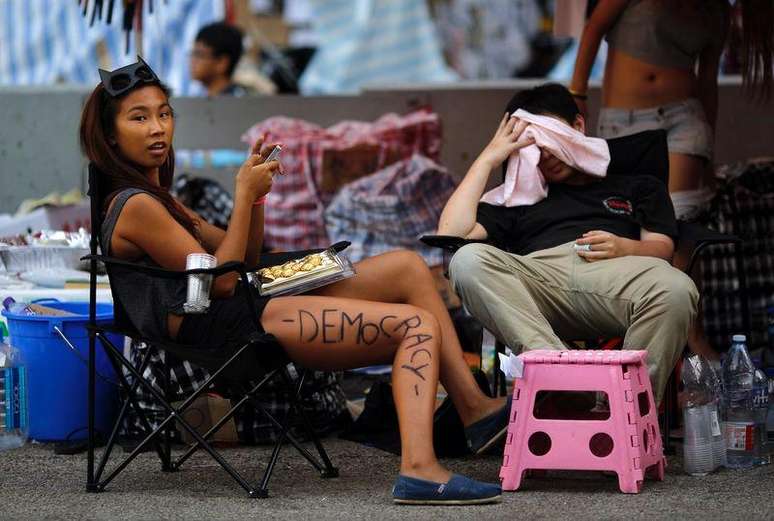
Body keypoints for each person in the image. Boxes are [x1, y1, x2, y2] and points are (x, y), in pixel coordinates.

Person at [80, 58, 510, 505]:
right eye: (139, 117)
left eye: (164, 113)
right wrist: (242, 194)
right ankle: (420, 469)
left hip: (248, 299)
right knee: (416, 325)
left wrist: (257, 199)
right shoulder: (135, 206)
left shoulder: (160, 200)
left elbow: (242, 257)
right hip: (226, 328)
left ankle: (475, 410)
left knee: (407, 267)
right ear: (110, 135)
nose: (157, 127)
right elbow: (221, 284)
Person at [437, 83, 699, 405]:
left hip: (616, 276)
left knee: (676, 289)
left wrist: (625, 248)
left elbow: (662, 247)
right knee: (466, 260)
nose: (544, 153)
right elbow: (452, 232)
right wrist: (489, 158)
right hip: (539, 282)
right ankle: (565, 377)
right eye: (533, 144)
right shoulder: (521, 193)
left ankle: (622, 410)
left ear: (578, 126)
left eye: (551, 136)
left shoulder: (636, 184)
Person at [569, 0, 774, 359]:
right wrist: (577, 95)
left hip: (684, 120)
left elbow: (708, 81)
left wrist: (707, 149)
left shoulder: (716, 11)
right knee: (632, 223)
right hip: (623, 121)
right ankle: (646, 330)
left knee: (675, 222)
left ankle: (689, 335)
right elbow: (593, 29)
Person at [190, 21, 249, 97]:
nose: (192, 61)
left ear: (222, 63)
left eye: (199, 54)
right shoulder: (204, 99)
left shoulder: (238, 101)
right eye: (193, 54)